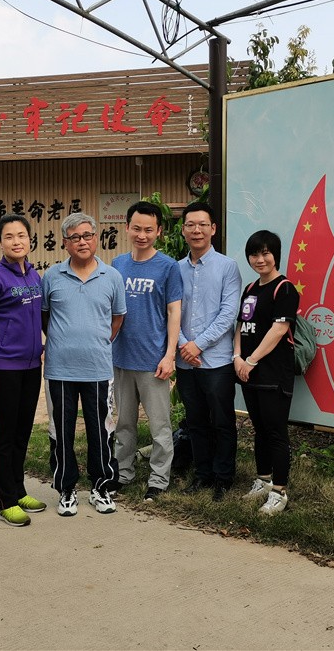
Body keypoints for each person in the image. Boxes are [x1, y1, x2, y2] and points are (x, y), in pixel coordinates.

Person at [42, 212, 126, 516]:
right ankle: (66, 489)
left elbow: (117, 319)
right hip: (60, 369)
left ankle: (101, 486)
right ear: (65, 242)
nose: (82, 241)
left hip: (98, 368)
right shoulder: (52, 276)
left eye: (87, 235)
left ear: (96, 238)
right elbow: (45, 317)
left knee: (101, 430)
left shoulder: (112, 276)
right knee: (61, 431)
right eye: (75, 237)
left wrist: (96, 342)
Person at [0, 214, 46, 527]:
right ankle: (3, 500)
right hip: (3, 367)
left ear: (30, 239)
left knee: (22, 431)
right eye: (9, 236)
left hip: (31, 365)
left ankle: (18, 490)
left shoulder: (35, 276)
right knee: (3, 434)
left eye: (21, 235)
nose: (16, 241)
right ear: (0, 242)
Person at [111, 201, 182, 502]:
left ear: (159, 231)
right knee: (124, 423)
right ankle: (123, 473)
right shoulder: (117, 265)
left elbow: (174, 312)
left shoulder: (168, 267)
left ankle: (159, 480)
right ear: (127, 228)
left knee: (159, 426)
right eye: (137, 228)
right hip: (121, 358)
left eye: (149, 230)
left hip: (153, 361)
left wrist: (170, 354)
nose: (142, 235)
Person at [175, 201, 242, 501]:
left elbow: (228, 314)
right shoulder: (175, 269)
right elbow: (170, 312)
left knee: (223, 421)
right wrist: (183, 345)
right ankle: (203, 474)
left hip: (216, 362)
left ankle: (223, 477)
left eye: (203, 224)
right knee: (196, 421)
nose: (197, 230)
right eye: (191, 225)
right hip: (185, 362)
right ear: (183, 230)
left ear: (213, 229)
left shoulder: (228, 267)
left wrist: (197, 344)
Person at [233, 230, 299, 515]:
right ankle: (263, 480)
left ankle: (279, 492)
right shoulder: (250, 289)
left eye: (265, 253)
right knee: (259, 429)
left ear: (275, 255)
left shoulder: (285, 289)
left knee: (276, 432)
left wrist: (251, 360)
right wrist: (237, 357)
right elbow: (240, 326)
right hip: (249, 372)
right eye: (254, 254)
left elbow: (279, 329)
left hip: (273, 374)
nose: (260, 259)